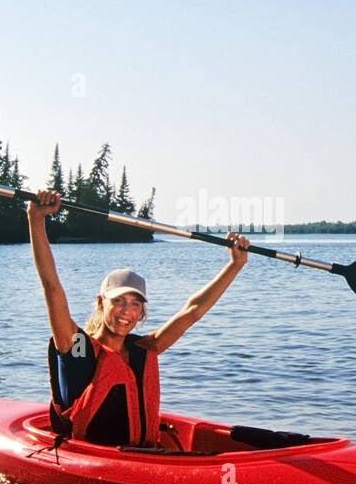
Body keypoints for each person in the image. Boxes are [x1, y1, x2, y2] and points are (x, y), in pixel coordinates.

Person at [26, 189, 250, 447]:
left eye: (135, 304)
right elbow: (52, 286)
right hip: (97, 461)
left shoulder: (145, 348)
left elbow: (193, 310)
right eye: (118, 301)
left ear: (141, 311)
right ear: (101, 303)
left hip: (144, 456)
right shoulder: (78, 349)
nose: (126, 311)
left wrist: (235, 265)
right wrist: (36, 217)